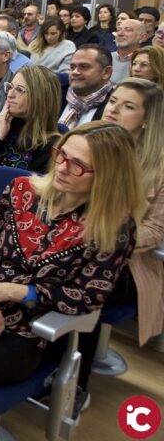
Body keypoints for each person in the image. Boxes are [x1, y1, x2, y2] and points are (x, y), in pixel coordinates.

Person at [0, 122, 143, 440]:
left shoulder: (114, 227)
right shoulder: (22, 190)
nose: (62, 167)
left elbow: (87, 297)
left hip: (26, 331)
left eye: (78, 165)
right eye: (61, 154)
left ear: (108, 176)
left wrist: (13, 291)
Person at [95, 79, 164, 352]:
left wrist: (109, 236)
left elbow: (156, 229)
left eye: (128, 106)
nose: (113, 109)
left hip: (125, 262)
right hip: (73, 244)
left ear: (147, 120)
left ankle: (75, 367)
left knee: (78, 285)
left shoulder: (159, 166)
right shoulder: (88, 145)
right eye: (113, 101)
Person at [0, 65, 61, 176]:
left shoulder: (51, 144)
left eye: (19, 89)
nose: (10, 94)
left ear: (40, 98)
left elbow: (36, 185)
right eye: (10, 87)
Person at [59, 45, 114, 129]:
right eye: (72, 67)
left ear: (106, 72)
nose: (75, 72)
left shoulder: (115, 108)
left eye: (84, 67)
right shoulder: (55, 96)